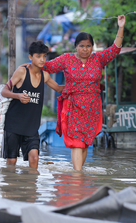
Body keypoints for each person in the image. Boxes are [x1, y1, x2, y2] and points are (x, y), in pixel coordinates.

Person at [41, 15, 126, 171]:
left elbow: (115, 49)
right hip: (73, 106)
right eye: (81, 46)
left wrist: (120, 27)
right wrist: (30, 63)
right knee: (77, 142)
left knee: (86, 142)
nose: (85, 49)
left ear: (92, 47)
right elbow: (46, 66)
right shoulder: (66, 59)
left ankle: (77, 174)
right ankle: (78, 177)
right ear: (75, 47)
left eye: (88, 46)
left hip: (92, 108)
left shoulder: (98, 59)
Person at [0, 41, 64, 169]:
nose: (42, 60)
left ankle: (31, 188)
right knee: (11, 162)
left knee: (34, 158)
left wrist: (80, 86)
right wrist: (17, 96)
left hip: (31, 127)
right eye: (38, 56)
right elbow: (4, 91)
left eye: (44, 56)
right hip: (13, 125)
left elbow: (58, 88)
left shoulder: (45, 76)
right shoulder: (22, 72)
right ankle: (10, 187)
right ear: (30, 57)